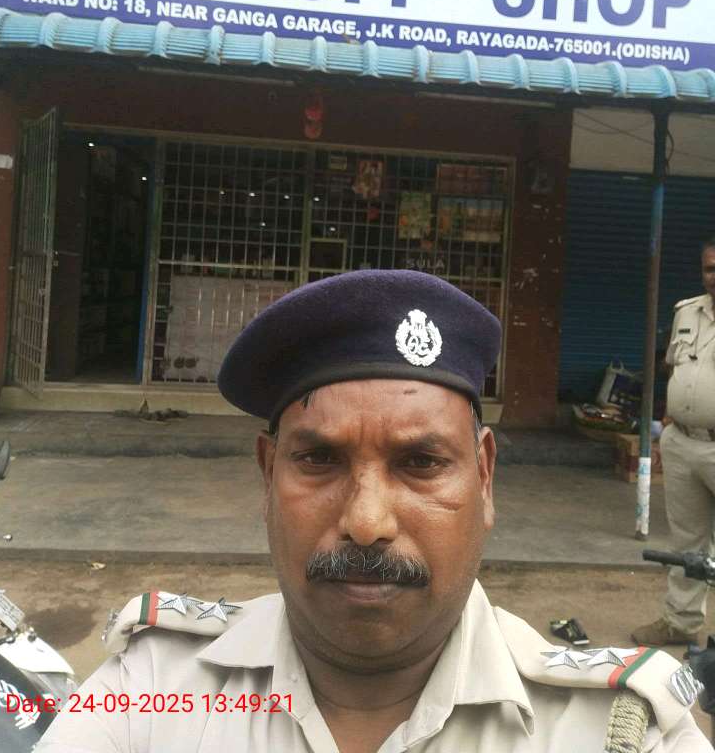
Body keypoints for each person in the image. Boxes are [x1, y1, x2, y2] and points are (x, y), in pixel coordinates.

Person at [38, 270, 707, 752]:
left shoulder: (618, 732)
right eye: (318, 459)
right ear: (268, 475)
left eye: (421, 463)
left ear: (484, 477)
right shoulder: (152, 689)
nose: (366, 522)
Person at [633, 237, 715, 648]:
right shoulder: (687, 312)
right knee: (688, 541)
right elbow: (673, 368)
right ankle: (681, 623)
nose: (714, 276)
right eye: (710, 268)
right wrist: (670, 418)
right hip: (683, 442)